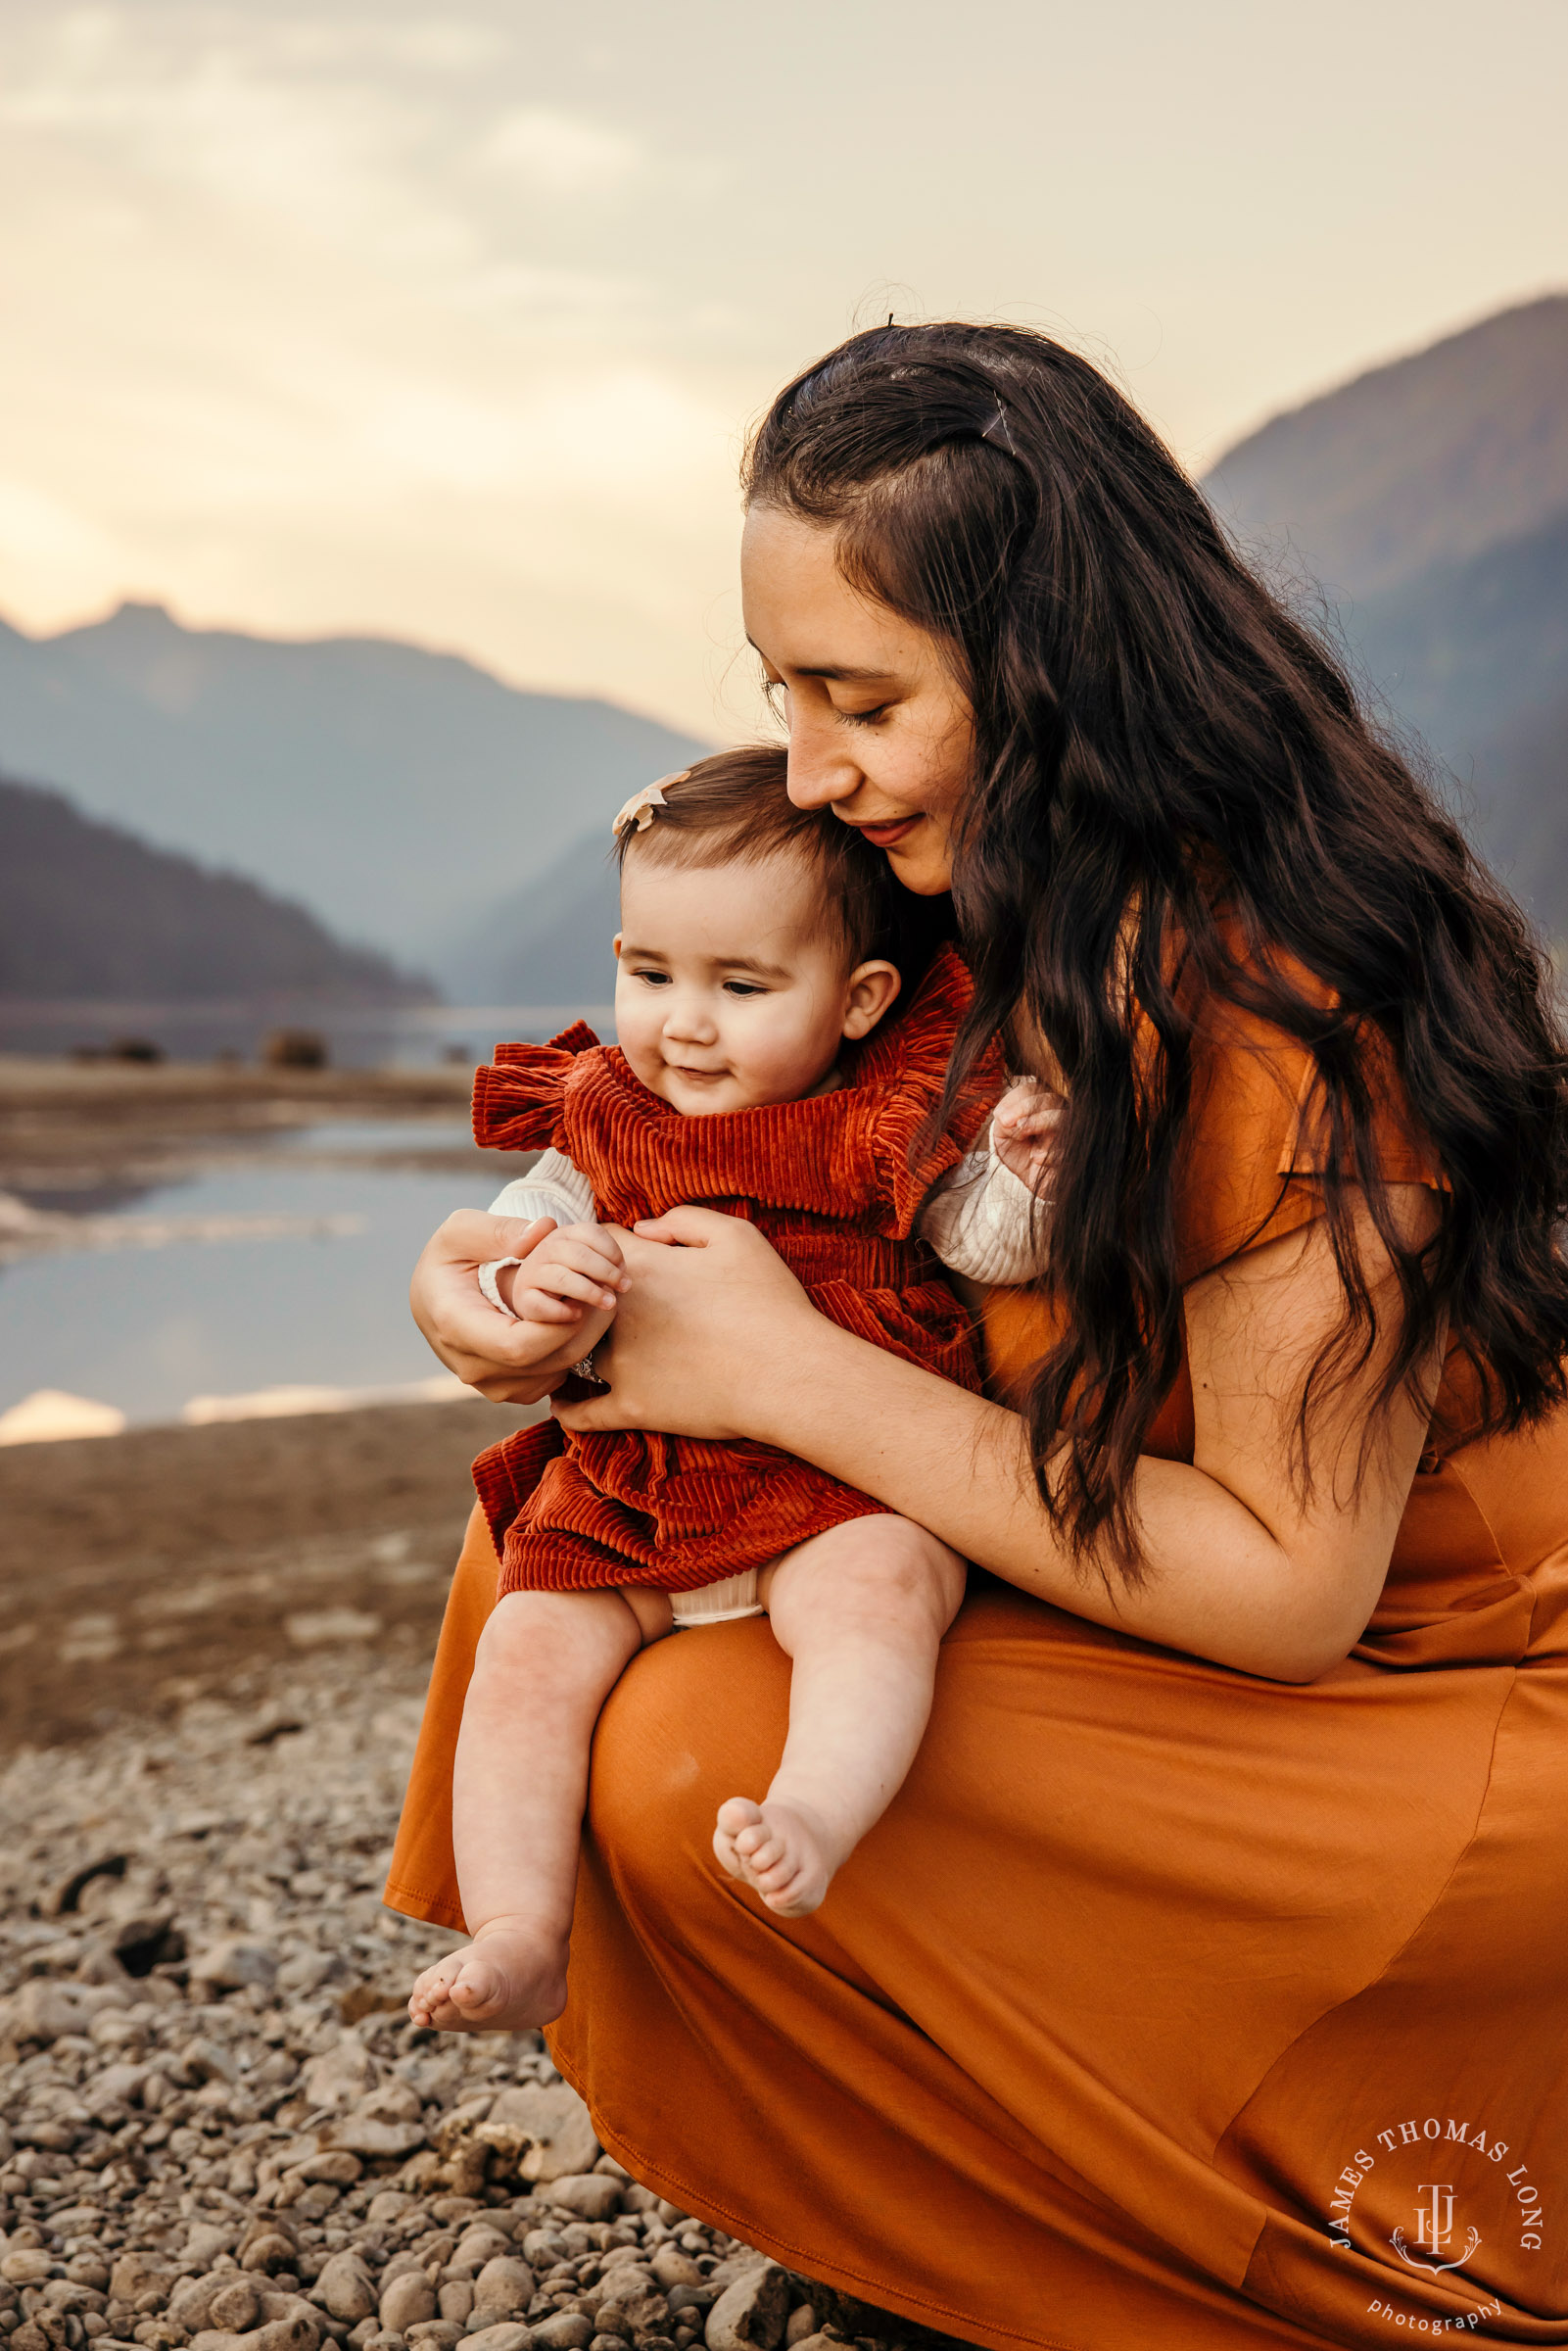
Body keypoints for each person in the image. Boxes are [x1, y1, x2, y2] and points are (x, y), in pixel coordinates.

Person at [387, 323, 1568, 2350]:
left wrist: (781, 1374)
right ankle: (965, 2177)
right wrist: (482, 1290)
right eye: (784, 693)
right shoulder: (973, 905)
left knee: (693, 1753)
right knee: (557, 1552)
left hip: (1437, 1708)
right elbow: (672, 1112)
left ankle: (1117, 2235)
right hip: (1183, 1632)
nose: (813, 767)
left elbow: (1292, 1590)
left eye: (862, 699)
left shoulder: (1290, 1003)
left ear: (1048, 677)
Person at [406, 746, 1053, 2033]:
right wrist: (531, 1277)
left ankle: (814, 1807)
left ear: (859, 997)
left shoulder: (889, 1113)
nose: (681, 1022)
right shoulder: (604, 1114)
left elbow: (983, 1246)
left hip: (846, 1484)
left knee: (880, 1601)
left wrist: (1027, 1180)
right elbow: (517, 1228)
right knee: (525, 1652)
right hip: (641, 1491)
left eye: (740, 985)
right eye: (648, 973)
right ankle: (521, 1926)